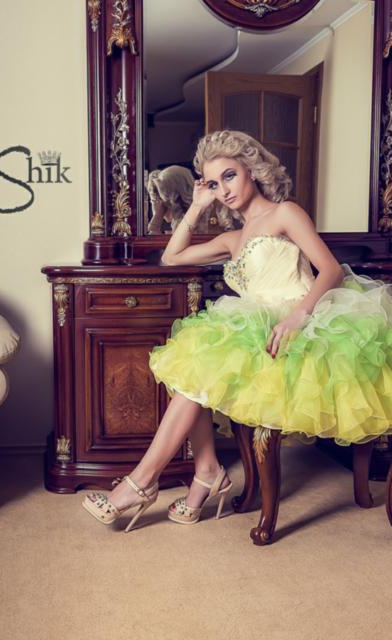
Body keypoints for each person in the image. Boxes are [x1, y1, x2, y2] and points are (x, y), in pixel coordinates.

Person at [83, 129, 392, 531]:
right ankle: (204, 473)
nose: (224, 190)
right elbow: (171, 257)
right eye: (214, 183)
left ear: (252, 170)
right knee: (191, 367)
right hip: (255, 325)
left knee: (198, 369)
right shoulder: (232, 238)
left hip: (301, 325)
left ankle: (149, 482)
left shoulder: (285, 213)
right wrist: (197, 207)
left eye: (229, 176)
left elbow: (330, 270)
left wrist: (297, 316)